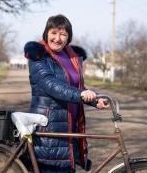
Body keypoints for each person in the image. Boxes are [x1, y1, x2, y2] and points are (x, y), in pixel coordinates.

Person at [23, 14, 109, 172]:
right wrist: (80, 95)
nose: (57, 38)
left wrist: (94, 100)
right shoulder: (38, 55)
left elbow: (75, 86)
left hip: (71, 124)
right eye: (53, 33)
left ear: (68, 37)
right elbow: (50, 84)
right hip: (49, 126)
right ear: (46, 33)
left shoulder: (71, 56)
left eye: (63, 34)